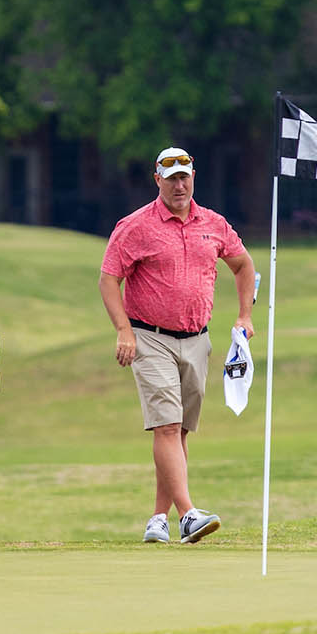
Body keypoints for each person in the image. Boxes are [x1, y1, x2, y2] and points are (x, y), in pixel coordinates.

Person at [97, 146, 256, 545]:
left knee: (178, 431)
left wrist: (244, 316)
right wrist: (123, 330)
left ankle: (158, 518)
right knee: (166, 425)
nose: (179, 185)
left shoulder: (214, 223)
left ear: (193, 177)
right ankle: (187, 515)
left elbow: (243, 265)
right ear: (158, 180)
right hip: (150, 337)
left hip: (197, 339)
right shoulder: (135, 226)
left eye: (184, 176)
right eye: (171, 178)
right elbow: (109, 279)